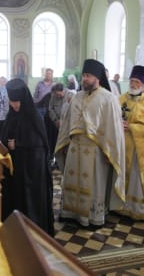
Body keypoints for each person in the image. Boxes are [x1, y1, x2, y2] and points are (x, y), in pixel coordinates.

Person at [56, 59, 125, 227]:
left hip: (96, 151)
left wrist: (112, 152)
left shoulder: (108, 98)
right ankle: (71, 212)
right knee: (71, 181)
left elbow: (114, 127)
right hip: (74, 148)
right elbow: (67, 122)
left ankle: (91, 217)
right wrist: (64, 143)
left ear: (97, 78)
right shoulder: (77, 96)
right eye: (83, 76)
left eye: (88, 76)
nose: (84, 79)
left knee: (93, 185)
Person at [0, 78, 55, 236]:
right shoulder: (11, 116)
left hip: (31, 175)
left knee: (28, 204)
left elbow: (40, 147)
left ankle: (32, 232)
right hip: (15, 172)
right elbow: (5, 137)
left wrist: (19, 144)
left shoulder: (34, 116)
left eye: (17, 102)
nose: (14, 105)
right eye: (11, 101)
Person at [118, 65, 144, 220]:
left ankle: (134, 208)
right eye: (132, 81)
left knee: (135, 177)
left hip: (137, 147)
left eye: (137, 82)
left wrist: (131, 126)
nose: (133, 84)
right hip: (122, 144)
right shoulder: (122, 98)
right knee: (121, 174)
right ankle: (119, 205)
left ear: (143, 85)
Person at [47, 83, 74, 165]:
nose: (57, 96)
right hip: (57, 124)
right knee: (57, 143)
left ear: (63, 90)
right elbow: (50, 109)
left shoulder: (71, 95)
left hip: (68, 125)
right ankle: (57, 161)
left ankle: (67, 161)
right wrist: (55, 120)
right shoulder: (53, 96)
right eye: (56, 95)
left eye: (58, 94)